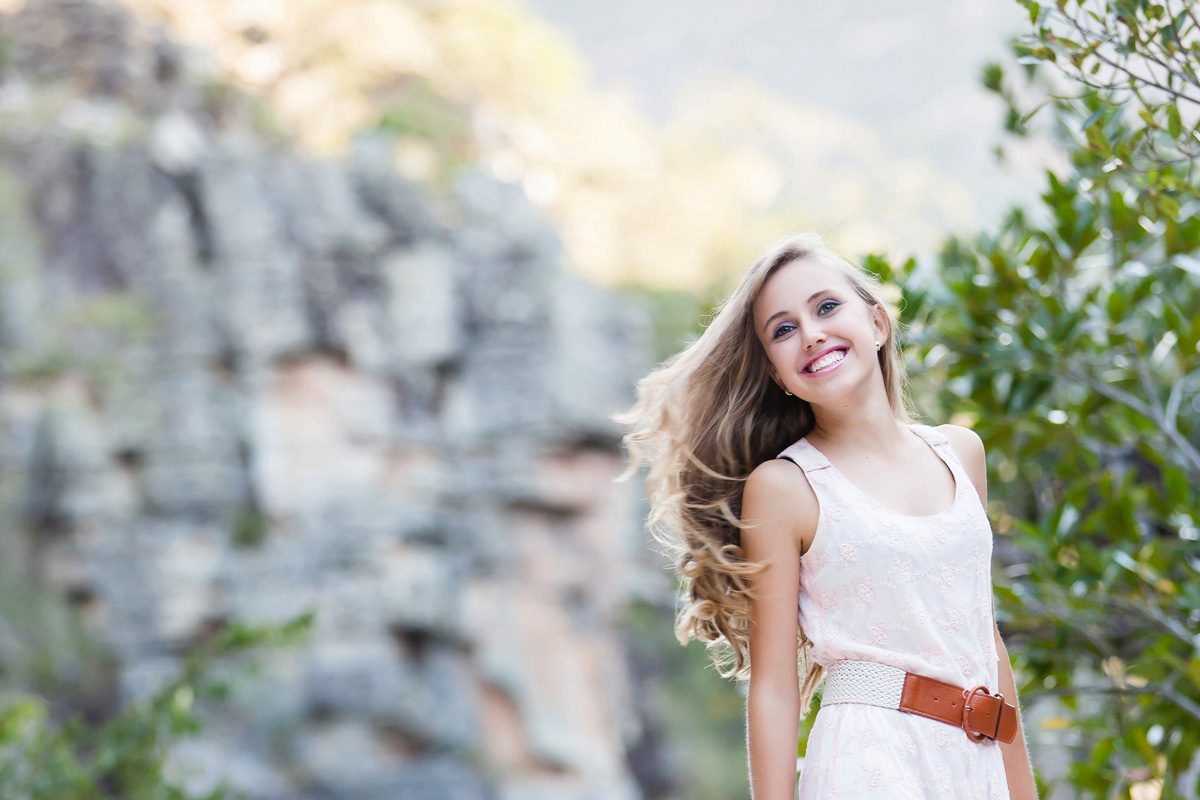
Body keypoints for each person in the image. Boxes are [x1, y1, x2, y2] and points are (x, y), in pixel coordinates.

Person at [615, 232, 1039, 799]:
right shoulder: (785, 487)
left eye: (827, 307)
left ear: (878, 324)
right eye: (784, 330)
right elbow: (773, 688)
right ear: (776, 373)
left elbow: (982, 638)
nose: (811, 333)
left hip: (973, 764)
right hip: (869, 760)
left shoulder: (961, 453)